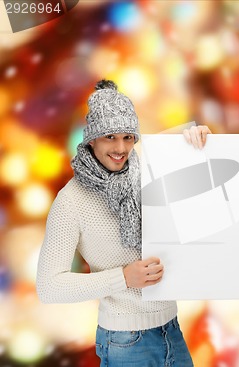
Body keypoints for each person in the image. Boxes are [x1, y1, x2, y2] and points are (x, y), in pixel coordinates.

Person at [36, 80, 211, 367]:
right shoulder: (71, 201)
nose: (121, 148)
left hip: (172, 329)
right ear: (91, 139)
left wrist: (197, 138)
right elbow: (49, 287)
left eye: (129, 137)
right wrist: (124, 278)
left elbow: (186, 146)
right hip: (125, 341)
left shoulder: (150, 167)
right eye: (110, 137)